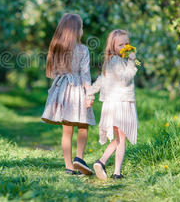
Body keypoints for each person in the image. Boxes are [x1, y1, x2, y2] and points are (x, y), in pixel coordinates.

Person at [41, 13, 95, 175]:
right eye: (82, 28)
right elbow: (85, 74)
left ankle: (69, 166)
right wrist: (89, 94)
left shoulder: (56, 47)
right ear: (76, 30)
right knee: (83, 126)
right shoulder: (83, 49)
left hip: (62, 90)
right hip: (78, 89)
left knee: (67, 130)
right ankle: (79, 158)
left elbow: (52, 73)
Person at [85, 29, 139, 180]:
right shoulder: (117, 61)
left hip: (112, 103)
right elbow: (125, 79)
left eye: (127, 44)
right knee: (121, 138)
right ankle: (108, 166)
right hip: (120, 103)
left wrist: (90, 92)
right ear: (113, 46)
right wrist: (131, 62)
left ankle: (112, 169)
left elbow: (101, 81)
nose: (125, 47)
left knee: (119, 137)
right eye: (120, 44)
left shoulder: (111, 61)